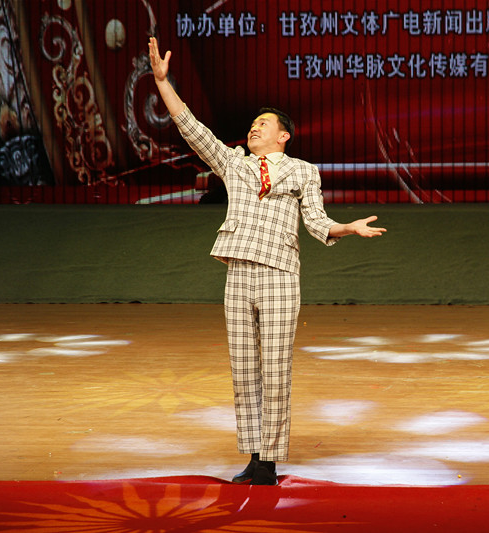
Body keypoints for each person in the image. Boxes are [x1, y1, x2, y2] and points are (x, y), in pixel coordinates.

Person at [148, 38, 386, 485]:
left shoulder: (303, 171)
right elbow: (192, 128)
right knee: (244, 369)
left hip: (279, 273)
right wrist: (163, 83)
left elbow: (316, 222)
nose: (254, 129)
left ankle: (269, 464)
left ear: (284, 136)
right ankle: (255, 456)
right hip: (239, 270)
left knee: (275, 369)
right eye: (252, 124)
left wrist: (348, 228)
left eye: (263, 124)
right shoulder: (234, 164)